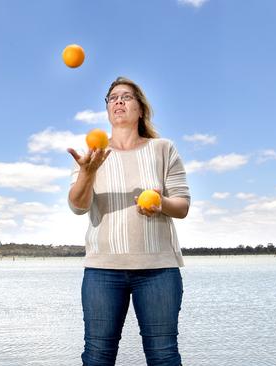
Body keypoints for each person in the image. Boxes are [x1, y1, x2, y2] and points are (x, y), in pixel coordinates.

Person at [67, 76, 190, 366]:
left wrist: (160, 205)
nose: (118, 101)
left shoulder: (163, 149)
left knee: (164, 356)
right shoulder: (93, 156)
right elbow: (78, 207)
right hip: (102, 271)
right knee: (97, 357)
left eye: (127, 97)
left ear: (140, 109)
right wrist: (87, 173)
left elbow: (182, 206)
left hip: (158, 270)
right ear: (108, 109)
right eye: (112, 98)